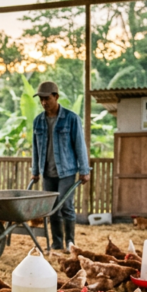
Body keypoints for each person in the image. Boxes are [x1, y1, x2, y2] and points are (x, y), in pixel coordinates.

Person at [30, 81, 90, 249]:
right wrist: (35, 171)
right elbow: (35, 148)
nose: (44, 102)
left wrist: (84, 170)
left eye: (47, 98)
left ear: (56, 96)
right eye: (41, 99)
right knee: (52, 208)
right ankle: (57, 243)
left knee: (66, 206)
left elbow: (80, 145)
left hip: (66, 172)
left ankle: (70, 242)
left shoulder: (71, 119)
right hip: (47, 172)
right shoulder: (38, 121)